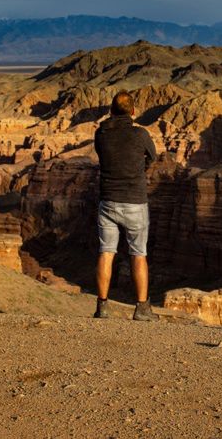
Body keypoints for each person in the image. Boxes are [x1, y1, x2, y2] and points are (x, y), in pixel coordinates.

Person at [92, 90, 158, 321]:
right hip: (135, 202)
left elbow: (102, 155)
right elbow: (153, 157)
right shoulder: (140, 134)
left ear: (111, 111)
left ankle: (102, 307)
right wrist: (138, 169)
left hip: (108, 201)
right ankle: (142, 308)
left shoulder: (101, 134)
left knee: (106, 252)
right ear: (132, 111)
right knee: (138, 254)